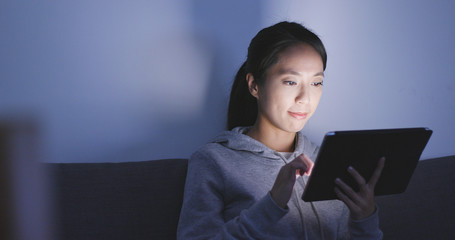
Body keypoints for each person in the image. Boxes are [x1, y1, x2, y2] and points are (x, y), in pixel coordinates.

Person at [177, 21, 385, 240]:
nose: (305, 98)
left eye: (316, 83)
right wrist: (272, 204)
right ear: (254, 86)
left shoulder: (329, 161)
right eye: (290, 82)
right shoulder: (213, 161)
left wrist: (365, 220)